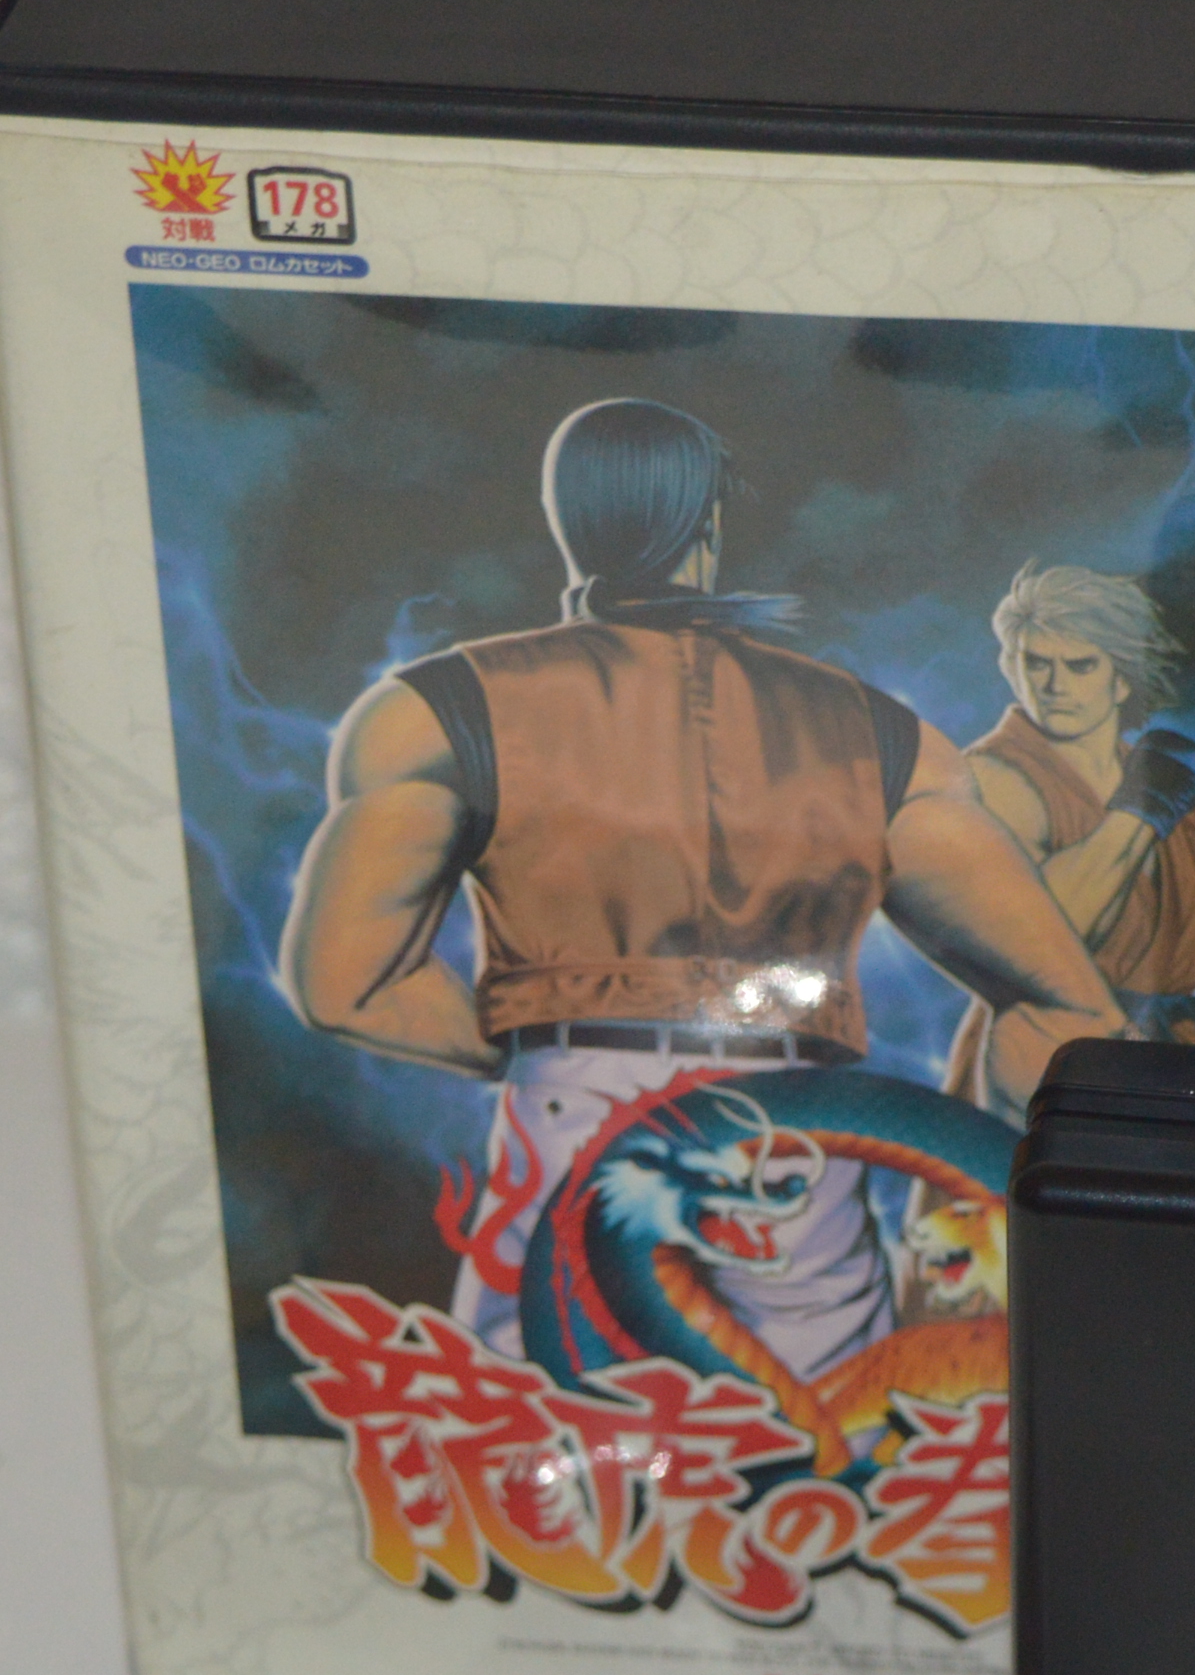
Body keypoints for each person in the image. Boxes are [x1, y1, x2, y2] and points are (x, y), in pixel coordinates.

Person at [278, 399, 1118, 1374]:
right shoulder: (884, 739)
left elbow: (346, 984)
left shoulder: (436, 714)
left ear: (567, 520)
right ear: (709, 523)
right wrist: (972, 1170)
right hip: (792, 1125)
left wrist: (548, 1051)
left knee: (555, 1436)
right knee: (818, 1436)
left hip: (575, 1120)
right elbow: (1068, 1008)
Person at [936, 561, 1195, 1102]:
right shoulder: (995, 779)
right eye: (1036, 663)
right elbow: (1035, 945)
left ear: (1122, 677)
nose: (1053, 686)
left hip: (1174, 1068)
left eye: (1080, 665)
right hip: (1044, 1066)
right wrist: (1137, 817)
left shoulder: (1187, 801)